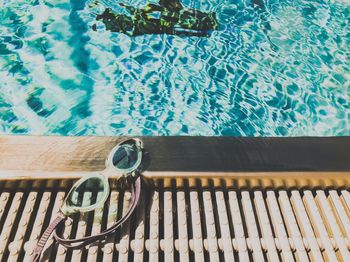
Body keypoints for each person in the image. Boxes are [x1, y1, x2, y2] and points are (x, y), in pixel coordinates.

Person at [92, 0, 219, 37]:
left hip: (139, 22)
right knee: (170, 19)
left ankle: (204, 25)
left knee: (170, 17)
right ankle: (205, 25)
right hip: (140, 24)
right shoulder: (137, 26)